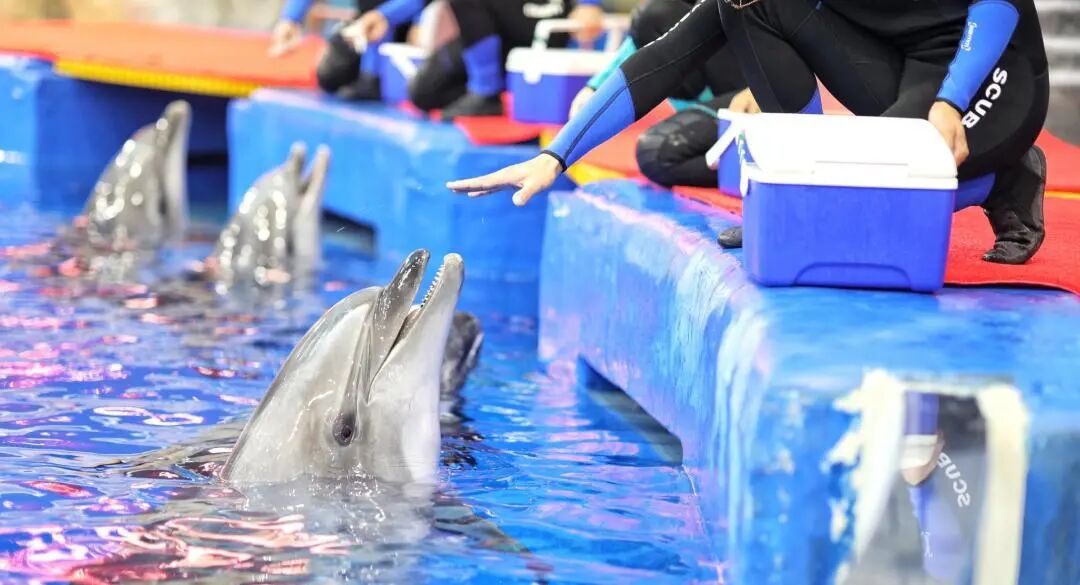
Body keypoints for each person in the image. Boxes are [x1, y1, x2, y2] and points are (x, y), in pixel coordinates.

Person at [449, 0, 1050, 265]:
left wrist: (950, 100)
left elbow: (997, 5)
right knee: (748, 4)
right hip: (903, 66)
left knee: (869, 213)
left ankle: (1003, 180)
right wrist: (556, 155)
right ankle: (801, 194)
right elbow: (664, 58)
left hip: (989, 69)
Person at [571, 0, 757, 189]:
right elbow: (664, 33)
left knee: (656, 153)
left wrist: (761, 92)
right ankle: (731, 142)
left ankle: (756, 165)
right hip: (740, 88)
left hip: (768, 96)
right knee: (656, 16)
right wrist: (596, 87)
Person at [344, 0, 609, 120]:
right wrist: (385, 16)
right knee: (423, 93)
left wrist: (590, 4)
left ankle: (486, 92)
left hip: (544, 17)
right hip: (488, 32)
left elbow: (588, 12)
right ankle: (492, 87)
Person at [271, 0, 418, 100]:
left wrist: (386, 15)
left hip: (412, 26)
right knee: (331, 75)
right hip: (365, 23)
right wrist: (291, 19)